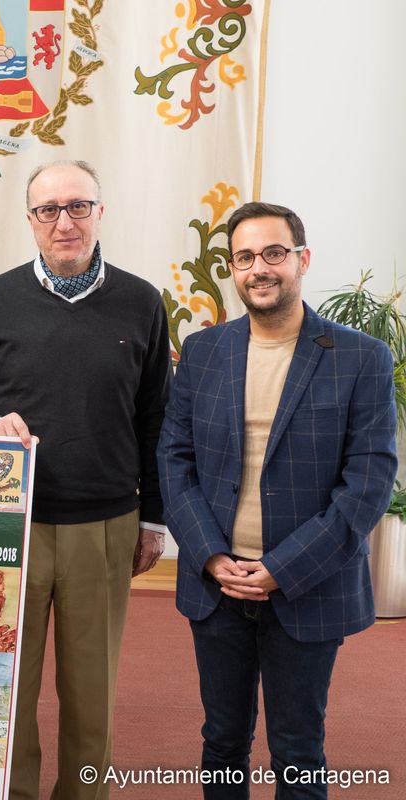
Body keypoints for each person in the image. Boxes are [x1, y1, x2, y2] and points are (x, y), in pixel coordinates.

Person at [0, 160, 171, 800]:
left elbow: (157, 417)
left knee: (91, 694)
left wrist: (153, 519)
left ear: (101, 212)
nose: (63, 221)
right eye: (48, 210)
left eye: (77, 207)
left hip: (104, 524)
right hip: (5, 523)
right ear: (31, 219)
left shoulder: (141, 301)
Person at [158, 202, 396, 799]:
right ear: (232, 269)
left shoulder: (361, 357)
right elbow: (174, 459)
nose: (258, 268)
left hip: (307, 586)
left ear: (301, 260)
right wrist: (212, 557)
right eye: (244, 257)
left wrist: (281, 570)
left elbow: (368, 481)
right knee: (222, 742)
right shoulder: (204, 351)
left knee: (297, 749)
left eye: (273, 253)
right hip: (217, 583)